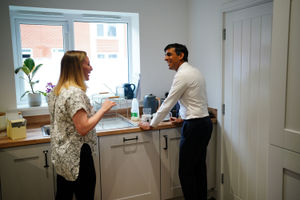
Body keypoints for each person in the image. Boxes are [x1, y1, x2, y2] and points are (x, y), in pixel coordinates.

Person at [139, 43, 212, 200]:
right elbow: (194, 100)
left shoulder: (182, 75)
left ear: (181, 55)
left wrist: (151, 124)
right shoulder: (194, 71)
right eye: (165, 54)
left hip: (194, 126)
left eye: (169, 54)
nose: (165, 58)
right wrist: (182, 118)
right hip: (203, 123)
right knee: (198, 169)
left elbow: (168, 102)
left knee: (186, 171)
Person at [47, 50, 116, 200]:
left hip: (62, 154)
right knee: (85, 195)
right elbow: (83, 127)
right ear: (77, 67)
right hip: (78, 155)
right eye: (88, 64)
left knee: (63, 194)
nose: (91, 68)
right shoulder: (75, 93)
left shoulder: (57, 91)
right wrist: (103, 109)